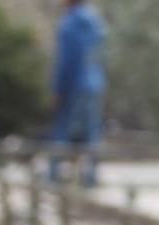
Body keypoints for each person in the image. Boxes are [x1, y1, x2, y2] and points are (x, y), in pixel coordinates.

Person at [48, 0, 107, 186]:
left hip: (75, 85)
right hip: (95, 83)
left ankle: (53, 174)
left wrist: (58, 89)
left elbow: (66, 62)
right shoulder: (95, 22)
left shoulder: (69, 24)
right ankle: (91, 176)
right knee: (91, 133)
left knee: (63, 130)